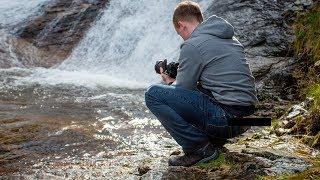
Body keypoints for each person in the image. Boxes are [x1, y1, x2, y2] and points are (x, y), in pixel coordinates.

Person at [145, 1, 258, 167]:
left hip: (226, 120)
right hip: (247, 119)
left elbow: (182, 92)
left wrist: (169, 82)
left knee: (153, 94)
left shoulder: (192, 45)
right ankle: (214, 142)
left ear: (181, 25)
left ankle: (199, 148)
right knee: (199, 92)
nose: (182, 37)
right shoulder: (229, 38)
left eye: (179, 33)